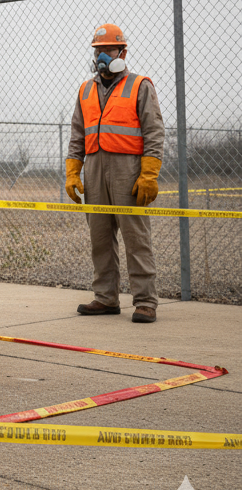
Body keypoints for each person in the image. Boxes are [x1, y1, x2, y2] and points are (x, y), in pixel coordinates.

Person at [65, 23, 165, 323]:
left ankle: (145, 301)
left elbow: (154, 132)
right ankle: (106, 298)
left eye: (107, 50)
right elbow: (76, 136)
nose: (101, 56)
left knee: (136, 238)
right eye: (98, 50)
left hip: (128, 170)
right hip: (95, 169)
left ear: (122, 52)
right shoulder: (85, 89)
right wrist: (73, 172)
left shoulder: (140, 85)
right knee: (100, 237)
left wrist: (149, 174)